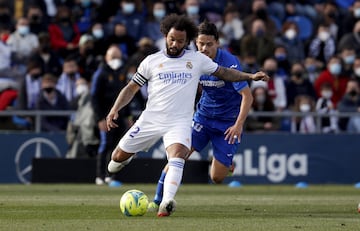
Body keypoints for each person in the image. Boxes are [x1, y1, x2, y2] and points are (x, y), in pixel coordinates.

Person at [105, 14, 269, 217]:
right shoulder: (152, 61)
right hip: (166, 119)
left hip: (194, 122)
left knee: (188, 162)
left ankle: (165, 202)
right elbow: (131, 87)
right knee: (116, 159)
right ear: (166, 36)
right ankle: (133, 165)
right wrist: (115, 109)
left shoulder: (199, 60)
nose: (175, 44)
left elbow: (227, 74)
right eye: (172, 39)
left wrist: (250, 77)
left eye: (181, 41)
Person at [147, 20, 253, 211]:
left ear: (218, 43)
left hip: (227, 125)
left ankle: (226, 165)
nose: (204, 48)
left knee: (217, 178)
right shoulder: (192, 60)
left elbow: (247, 96)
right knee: (178, 155)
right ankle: (157, 201)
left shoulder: (230, 63)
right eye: (200, 43)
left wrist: (238, 125)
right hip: (202, 119)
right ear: (195, 42)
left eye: (209, 44)